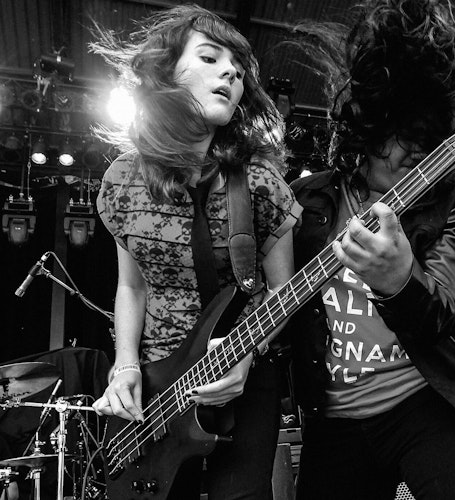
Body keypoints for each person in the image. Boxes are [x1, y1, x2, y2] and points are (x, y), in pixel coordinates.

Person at [284, 1, 455, 498]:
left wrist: (399, 281)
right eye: (396, 131)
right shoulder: (308, 199)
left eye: (422, 133)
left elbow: (442, 309)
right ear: (369, 126)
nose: (408, 148)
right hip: (335, 425)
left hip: (432, 403)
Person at [90, 5, 301, 499]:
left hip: (242, 378)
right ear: (166, 73)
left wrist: (246, 353)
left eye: (238, 68)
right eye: (210, 57)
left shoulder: (261, 185)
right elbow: (131, 285)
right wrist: (124, 367)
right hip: (156, 392)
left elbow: (282, 293)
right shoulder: (123, 181)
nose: (231, 71)